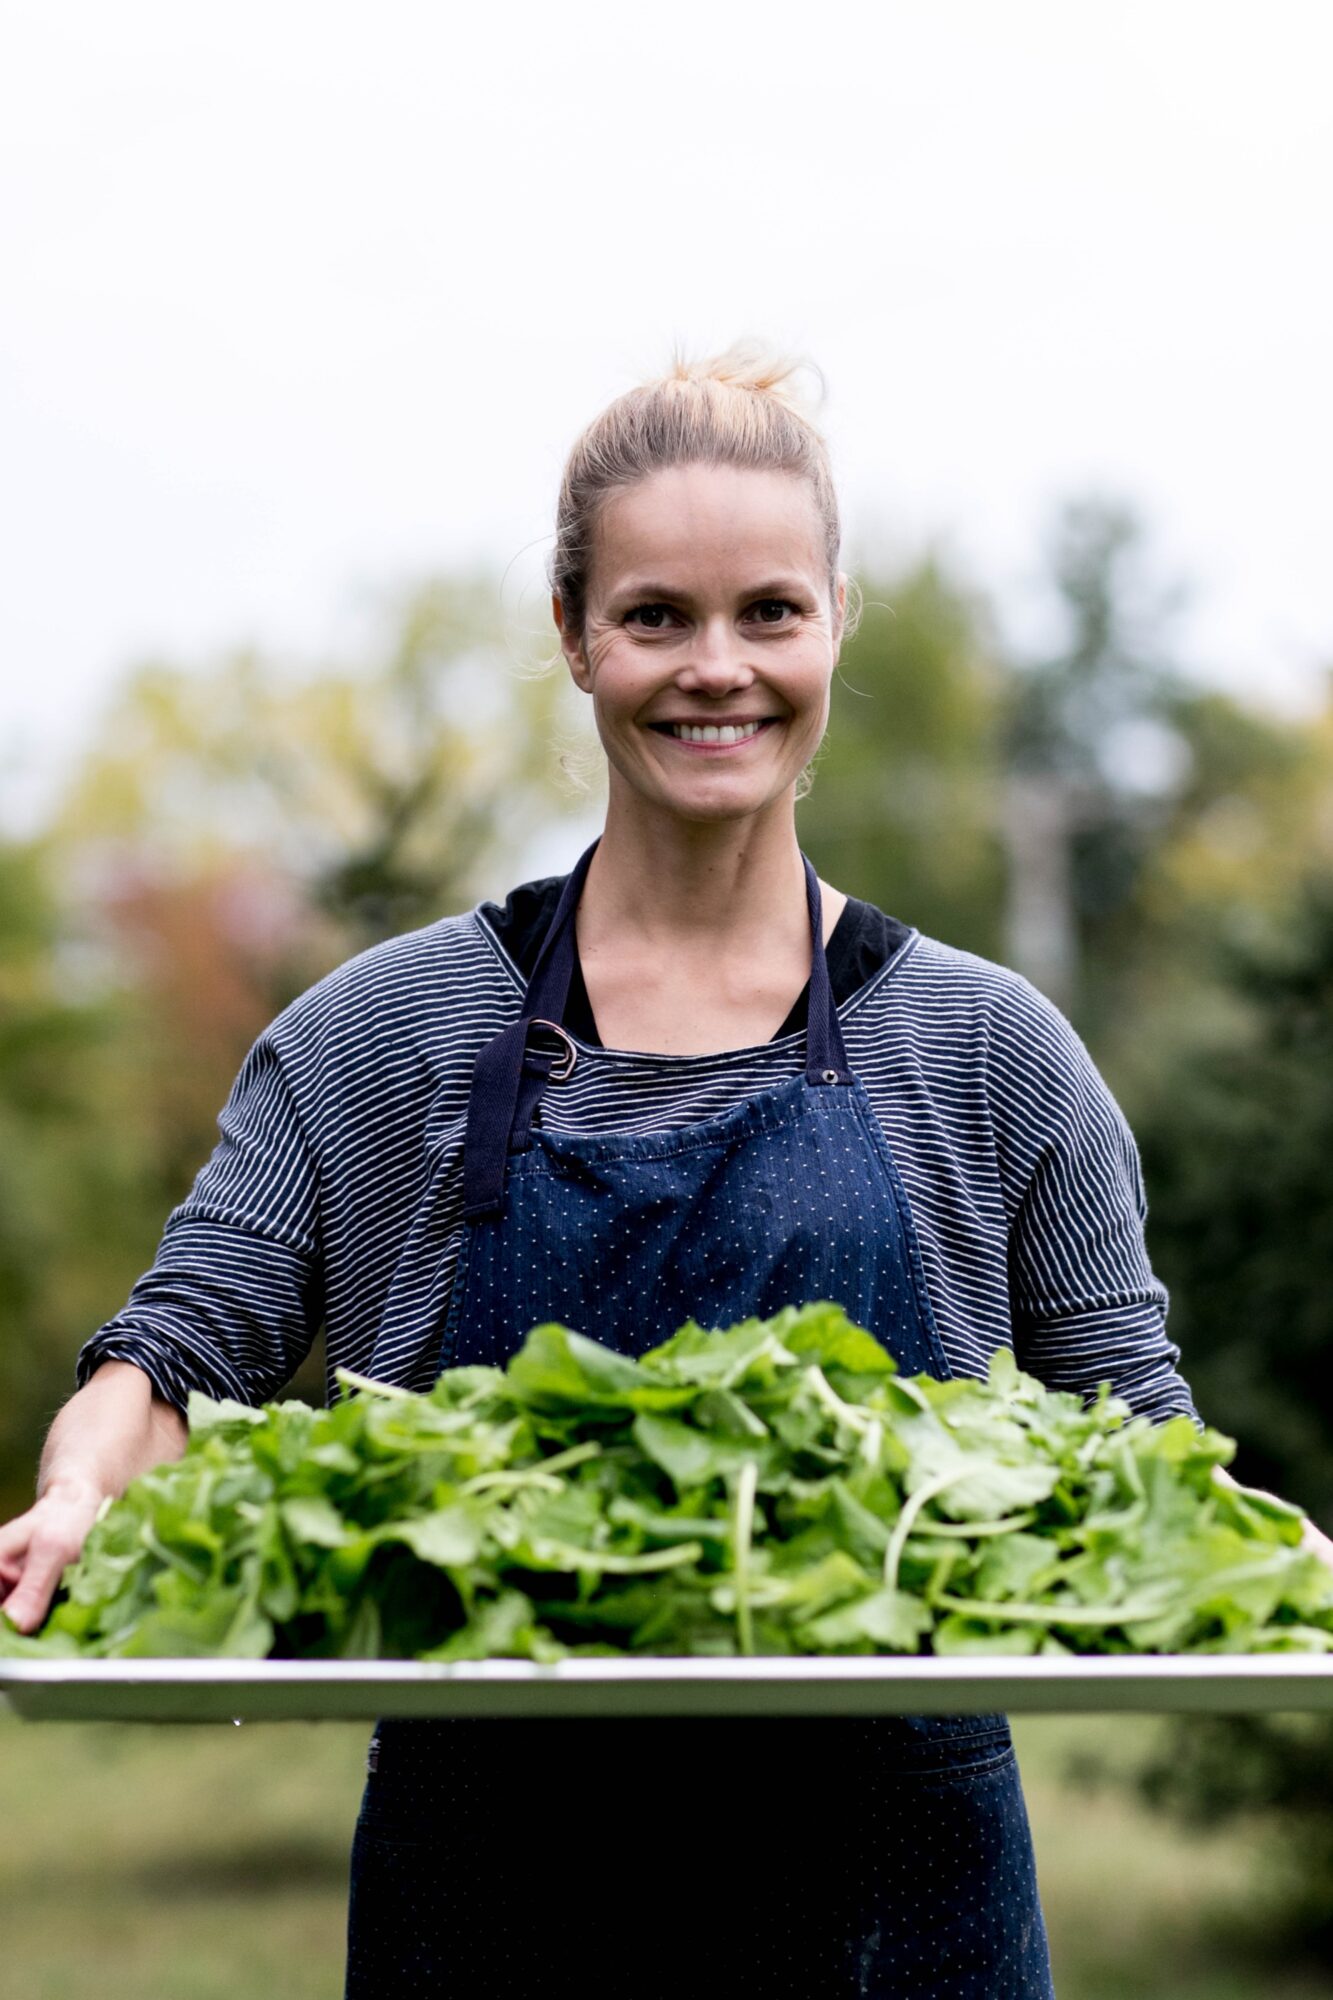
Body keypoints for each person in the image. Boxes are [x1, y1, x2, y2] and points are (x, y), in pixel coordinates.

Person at [3, 345, 1329, 1998]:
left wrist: (1274, 1563)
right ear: (572, 636)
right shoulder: (388, 1035)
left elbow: (1139, 1435)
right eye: (655, 617)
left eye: (768, 610)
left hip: (897, 1924)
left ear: (839, 617)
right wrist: (79, 1488)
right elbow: (175, 1350)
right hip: (488, 1919)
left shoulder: (983, 1047)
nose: (719, 669)